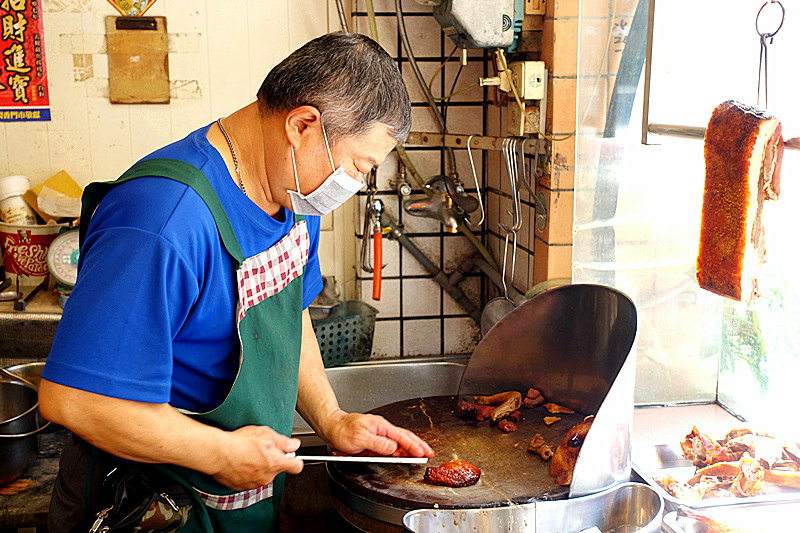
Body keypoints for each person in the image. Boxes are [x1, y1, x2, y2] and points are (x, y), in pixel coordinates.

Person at [38, 31, 433, 533]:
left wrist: (332, 419)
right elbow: (74, 399)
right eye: (358, 167)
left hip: (235, 502)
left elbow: (288, 319)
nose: (353, 186)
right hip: (141, 505)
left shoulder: (292, 192)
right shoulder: (163, 220)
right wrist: (220, 451)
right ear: (303, 125)